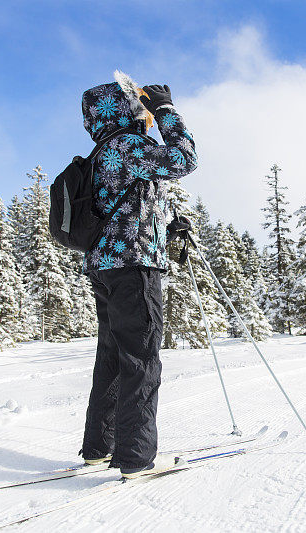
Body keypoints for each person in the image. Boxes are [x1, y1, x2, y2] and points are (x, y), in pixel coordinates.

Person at [78, 71, 197, 478]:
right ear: (124, 109)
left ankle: (99, 447)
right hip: (134, 267)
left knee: (112, 356)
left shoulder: (101, 153)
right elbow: (184, 159)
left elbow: (130, 204)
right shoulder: (129, 145)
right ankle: (137, 459)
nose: (143, 113)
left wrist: (167, 225)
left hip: (105, 266)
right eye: (138, 106)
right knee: (142, 358)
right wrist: (166, 110)